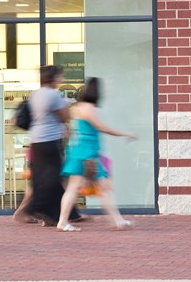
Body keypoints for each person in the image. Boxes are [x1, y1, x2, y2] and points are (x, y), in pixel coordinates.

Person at [55, 77, 136, 232]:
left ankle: (118, 221)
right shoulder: (87, 108)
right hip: (87, 154)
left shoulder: (79, 107)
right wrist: (124, 133)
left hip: (82, 152)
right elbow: (101, 127)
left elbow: (74, 131)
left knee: (95, 187)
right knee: (86, 188)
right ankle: (63, 222)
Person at [26, 65, 80, 226]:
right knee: (54, 177)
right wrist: (66, 105)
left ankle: (58, 214)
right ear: (53, 78)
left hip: (36, 139)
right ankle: (39, 208)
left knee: (43, 176)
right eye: (59, 76)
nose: (61, 79)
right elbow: (65, 117)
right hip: (50, 139)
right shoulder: (53, 95)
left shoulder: (35, 95)